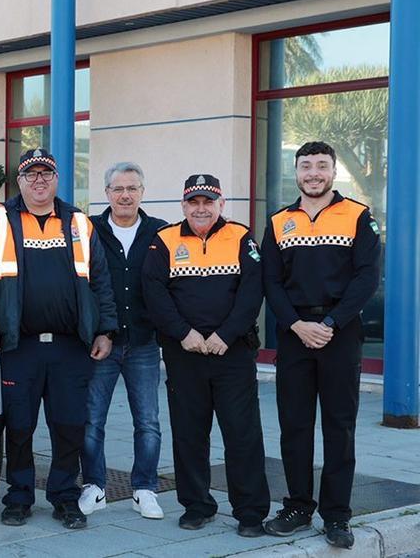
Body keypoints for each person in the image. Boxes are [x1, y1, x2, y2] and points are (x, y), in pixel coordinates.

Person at [0, 148, 117, 530]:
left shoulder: (79, 223)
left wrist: (105, 329)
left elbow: (101, 281)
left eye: (46, 174)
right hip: (19, 346)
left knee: (69, 425)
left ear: (57, 179)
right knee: (19, 426)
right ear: (19, 181)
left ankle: (65, 497)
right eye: (31, 174)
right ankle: (18, 497)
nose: (39, 181)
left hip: (71, 346)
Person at [261, 141, 381, 550]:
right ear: (296, 172)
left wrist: (330, 323)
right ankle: (297, 507)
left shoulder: (358, 216)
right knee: (294, 425)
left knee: (339, 427)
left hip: (339, 333)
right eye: (306, 166)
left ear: (333, 171)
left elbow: (367, 277)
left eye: (321, 166)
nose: (313, 173)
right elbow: (270, 281)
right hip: (294, 333)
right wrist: (296, 325)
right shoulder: (279, 221)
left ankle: (337, 515)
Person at [143, 174, 270, 537]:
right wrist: (184, 333)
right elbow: (154, 292)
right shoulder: (164, 240)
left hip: (232, 353)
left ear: (220, 205)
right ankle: (197, 506)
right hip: (185, 353)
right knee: (189, 434)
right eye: (194, 202)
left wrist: (225, 335)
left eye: (208, 202)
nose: (201, 209)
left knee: (242, 435)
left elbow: (252, 292)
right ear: (184, 205)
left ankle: (250, 513)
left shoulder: (241, 238)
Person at [79, 163, 167, 519]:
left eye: (132, 188)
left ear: (142, 192)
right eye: (118, 189)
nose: (125, 195)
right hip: (103, 342)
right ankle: (94, 486)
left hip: (144, 342)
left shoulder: (160, 232)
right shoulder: (90, 231)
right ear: (107, 193)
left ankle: (144, 489)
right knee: (91, 420)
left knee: (148, 421)